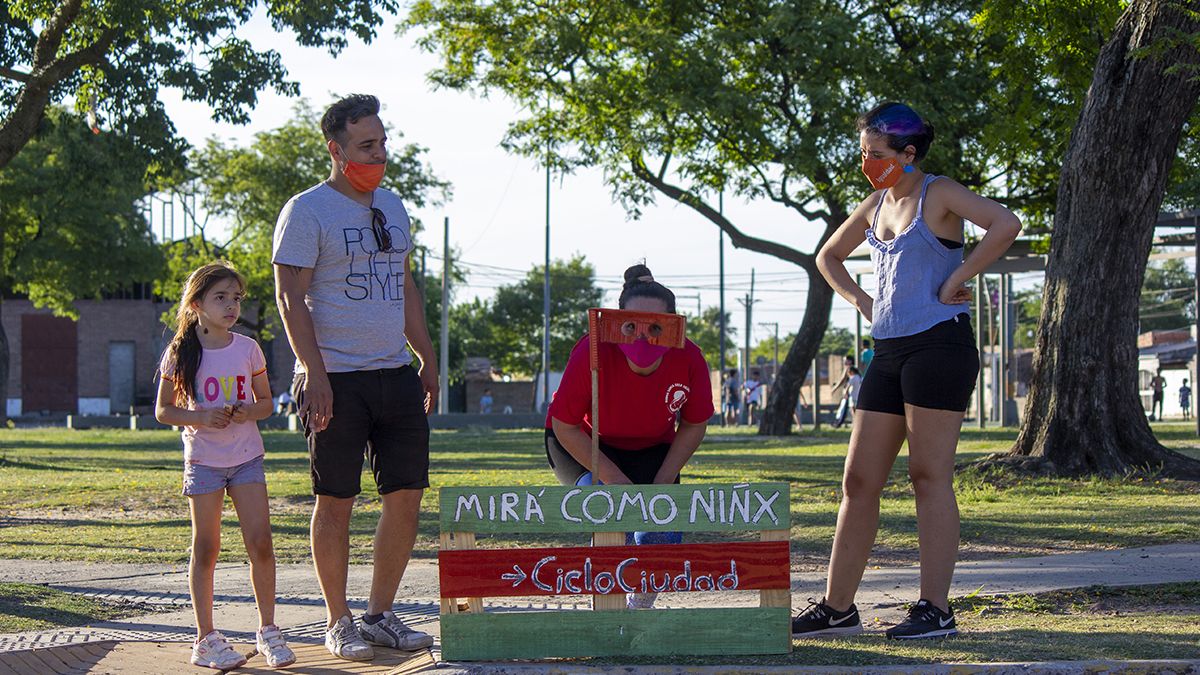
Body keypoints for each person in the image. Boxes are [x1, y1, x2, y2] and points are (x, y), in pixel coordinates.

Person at [794, 102, 1020, 640]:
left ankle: (935, 610)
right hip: (888, 349)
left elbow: (1005, 223)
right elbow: (828, 257)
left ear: (908, 154)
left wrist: (956, 277)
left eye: (876, 154)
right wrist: (863, 302)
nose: (868, 163)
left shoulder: (938, 193)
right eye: (865, 154)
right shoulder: (874, 204)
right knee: (858, 480)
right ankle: (838, 607)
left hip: (940, 346)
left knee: (927, 477)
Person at [272, 94, 438, 661]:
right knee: (336, 499)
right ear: (336, 149)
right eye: (367, 145)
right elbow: (289, 298)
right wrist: (314, 375)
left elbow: (406, 287)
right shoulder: (306, 210)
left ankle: (380, 614)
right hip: (335, 378)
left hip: (395, 374)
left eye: (383, 143)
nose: (380, 154)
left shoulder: (393, 205)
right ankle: (337, 620)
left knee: (407, 497)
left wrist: (427, 357)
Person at [544, 263, 714, 609]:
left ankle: (642, 597)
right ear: (615, 322)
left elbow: (695, 422)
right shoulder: (592, 350)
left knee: (662, 524)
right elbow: (565, 425)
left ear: (675, 326)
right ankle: (608, 602)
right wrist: (615, 480)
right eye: (631, 325)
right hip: (584, 442)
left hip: (653, 445)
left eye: (655, 327)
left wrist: (664, 480)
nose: (642, 336)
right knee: (609, 509)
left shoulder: (691, 358)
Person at [154, 262, 295, 670]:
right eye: (221, 297)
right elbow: (163, 411)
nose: (231, 305)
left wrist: (248, 410)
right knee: (207, 548)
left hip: (247, 458)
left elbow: (267, 403)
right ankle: (206, 640)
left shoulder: (248, 348)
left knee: (261, 543)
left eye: (236, 298)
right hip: (204, 463)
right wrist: (200, 417)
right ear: (197, 303)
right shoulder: (180, 352)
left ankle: (269, 629)